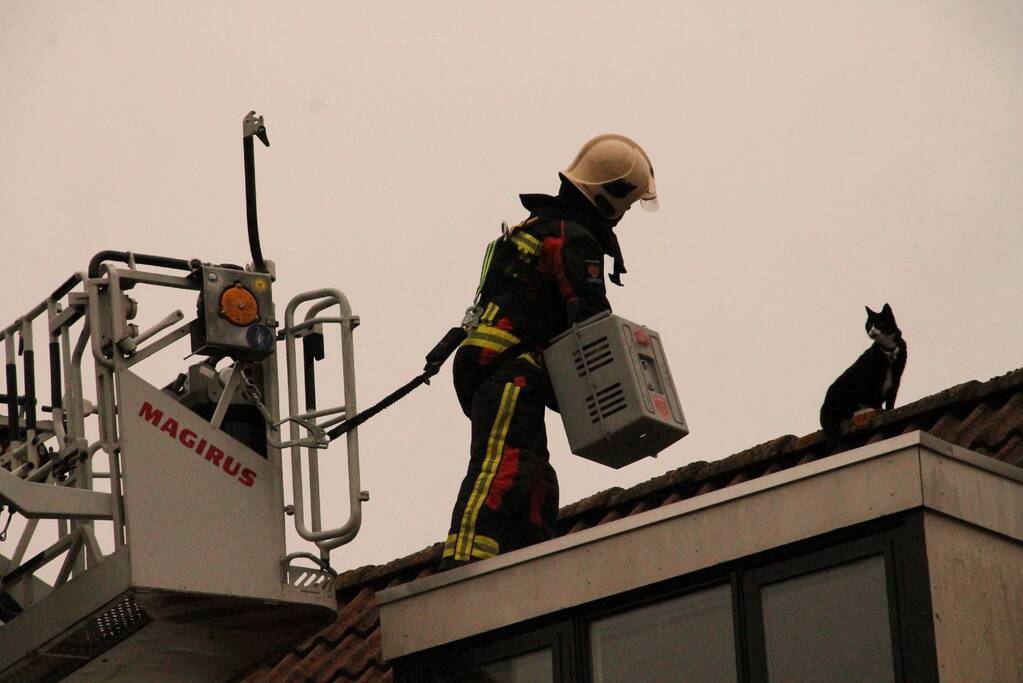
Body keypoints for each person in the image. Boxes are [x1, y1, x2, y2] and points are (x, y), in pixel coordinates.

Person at [439, 134, 658, 570]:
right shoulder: (572, 237)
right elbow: (589, 322)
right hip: (508, 368)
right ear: (609, 196)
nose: (626, 214)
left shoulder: (539, 225)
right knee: (505, 462)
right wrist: (623, 396)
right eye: (628, 205)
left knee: (535, 478)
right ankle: (462, 566)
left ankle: (528, 566)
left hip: (503, 366)